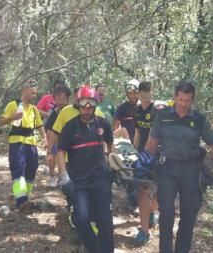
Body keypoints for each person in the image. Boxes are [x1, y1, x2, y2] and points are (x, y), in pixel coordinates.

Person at [144, 81, 213, 253]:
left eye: (187, 100)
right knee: (166, 214)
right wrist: (145, 169)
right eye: (181, 99)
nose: (183, 104)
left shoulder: (199, 119)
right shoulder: (163, 116)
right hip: (167, 168)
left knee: (188, 215)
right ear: (175, 97)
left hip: (190, 170)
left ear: (193, 100)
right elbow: (152, 144)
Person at [57, 84, 114, 253]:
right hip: (78, 181)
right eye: (83, 103)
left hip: (100, 178)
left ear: (95, 104)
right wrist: (63, 176)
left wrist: (112, 163)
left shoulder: (103, 124)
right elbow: (60, 151)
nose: (87, 108)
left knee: (105, 219)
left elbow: (110, 144)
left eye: (90, 103)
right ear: (77, 104)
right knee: (81, 218)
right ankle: (94, 249)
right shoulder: (70, 126)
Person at [0, 80, 46, 212]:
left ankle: (25, 198)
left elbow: (40, 125)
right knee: (18, 169)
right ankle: (21, 200)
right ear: (24, 90)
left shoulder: (33, 109)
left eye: (36, 93)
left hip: (31, 143)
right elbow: (0, 121)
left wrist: (45, 139)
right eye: (32, 93)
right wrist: (13, 117)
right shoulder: (14, 104)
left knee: (32, 169)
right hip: (17, 142)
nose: (34, 96)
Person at [133, 81, 159, 246]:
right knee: (143, 191)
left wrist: (150, 154)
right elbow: (137, 133)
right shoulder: (137, 110)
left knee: (158, 190)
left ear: (152, 92)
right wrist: (134, 153)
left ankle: (152, 212)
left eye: (147, 92)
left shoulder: (157, 110)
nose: (145, 96)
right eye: (142, 92)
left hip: (158, 156)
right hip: (143, 157)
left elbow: (155, 135)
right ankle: (144, 231)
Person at [114, 79, 140, 211]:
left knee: (143, 175)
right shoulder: (122, 108)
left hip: (142, 145)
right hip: (126, 147)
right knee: (129, 174)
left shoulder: (145, 108)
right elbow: (116, 127)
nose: (133, 95)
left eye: (135, 93)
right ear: (127, 94)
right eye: (130, 93)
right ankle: (132, 202)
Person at [44, 85, 72, 187]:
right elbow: (50, 130)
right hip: (58, 143)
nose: (59, 99)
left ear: (68, 98)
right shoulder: (55, 113)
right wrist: (49, 149)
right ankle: (53, 177)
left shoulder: (73, 111)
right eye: (57, 97)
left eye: (62, 97)